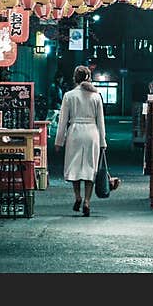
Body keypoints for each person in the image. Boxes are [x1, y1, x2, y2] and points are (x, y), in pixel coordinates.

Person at [54, 65, 107, 217]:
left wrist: (59, 141)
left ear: (75, 79)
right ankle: (87, 201)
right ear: (89, 77)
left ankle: (77, 196)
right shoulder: (96, 96)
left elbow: (63, 121)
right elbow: (101, 121)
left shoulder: (69, 95)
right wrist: (103, 142)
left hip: (75, 132)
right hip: (92, 133)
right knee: (90, 168)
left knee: (75, 166)